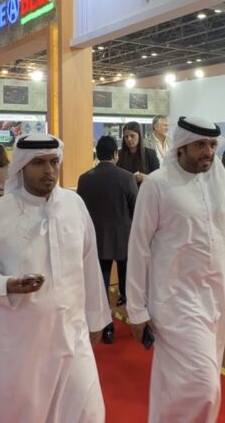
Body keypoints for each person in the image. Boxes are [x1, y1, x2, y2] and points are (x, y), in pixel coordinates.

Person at [127, 117, 225, 423]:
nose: (208, 151)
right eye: (200, 145)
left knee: (182, 385)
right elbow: (138, 247)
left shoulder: (218, 182)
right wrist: (136, 310)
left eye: (211, 144)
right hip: (174, 301)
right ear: (182, 147)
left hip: (215, 301)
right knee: (203, 386)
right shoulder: (157, 184)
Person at [0, 134, 111, 423]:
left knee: (88, 412)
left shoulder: (74, 205)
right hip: (20, 343)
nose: (49, 170)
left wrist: (96, 318)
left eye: (54, 162)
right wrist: (7, 285)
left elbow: (89, 264)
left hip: (72, 334)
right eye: (39, 163)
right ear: (21, 166)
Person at [77, 135, 138, 344]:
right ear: (115, 154)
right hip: (124, 240)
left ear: (98, 154)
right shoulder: (126, 177)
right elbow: (136, 208)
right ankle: (137, 324)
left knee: (101, 287)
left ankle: (107, 328)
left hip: (97, 241)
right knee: (129, 286)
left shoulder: (84, 179)